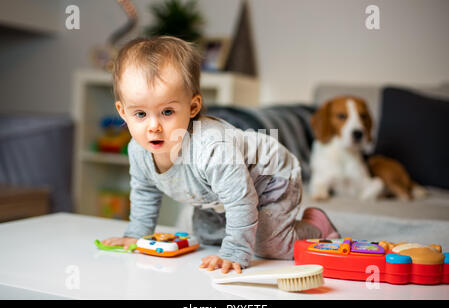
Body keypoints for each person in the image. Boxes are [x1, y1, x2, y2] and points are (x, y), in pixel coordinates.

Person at [101, 36, 339, 274]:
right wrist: (137, 235)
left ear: (192, 107)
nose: (154, 126)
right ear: (123, 111)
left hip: (270, 176)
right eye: (140, 114)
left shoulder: (212, 147)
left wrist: (235, 251)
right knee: (205, 236)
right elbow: (145, 191)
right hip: (218, 194)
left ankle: (316, 226)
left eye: (167, 112)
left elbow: (241, 199)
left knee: (268, 245)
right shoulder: (138, 150)